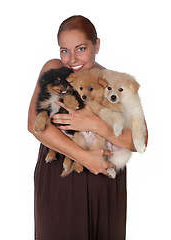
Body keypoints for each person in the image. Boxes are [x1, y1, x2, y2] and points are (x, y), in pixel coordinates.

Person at [28, 15, 148, 240]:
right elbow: (34, 124)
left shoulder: (114, 81)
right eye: (65, 50)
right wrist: (85, 157)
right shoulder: (54, 69)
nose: (71, 58)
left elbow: (138, 141)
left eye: (80, 48)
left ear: (97, 45)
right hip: (61, 170)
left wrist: (94, 124)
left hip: (105, 174)